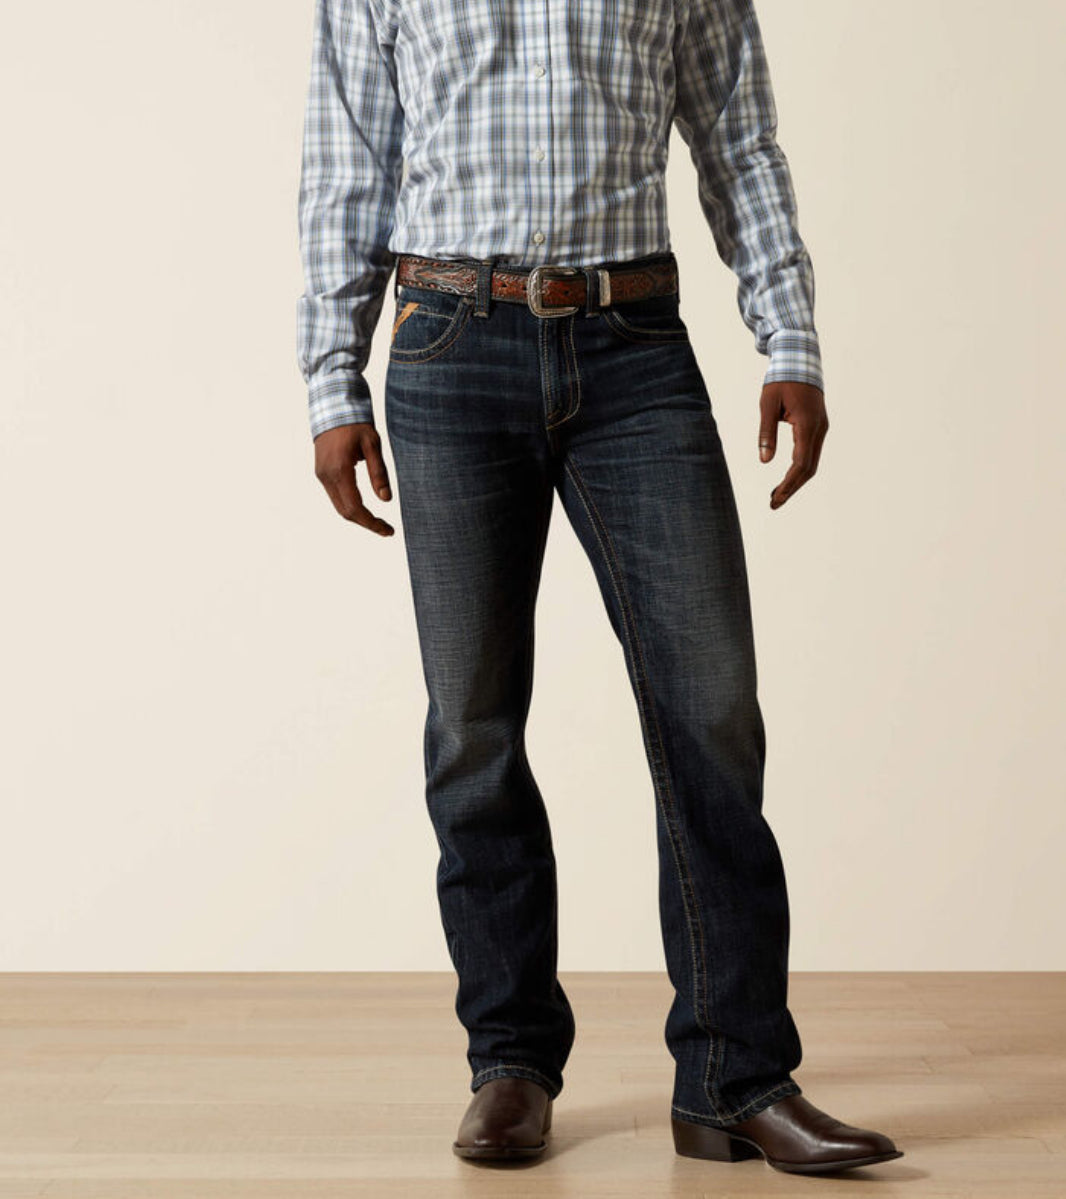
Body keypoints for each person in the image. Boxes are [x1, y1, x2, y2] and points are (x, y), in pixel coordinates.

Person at [296, 0, 903, 1175]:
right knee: (473, 725)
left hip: (634, 351)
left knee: (711, 709)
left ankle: (735, 1076)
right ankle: (509, 1062)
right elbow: (348, 163)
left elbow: (738, 141)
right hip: (447, 346)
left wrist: (788, 339)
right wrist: (332, 380)